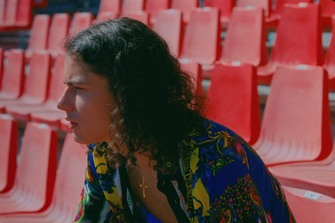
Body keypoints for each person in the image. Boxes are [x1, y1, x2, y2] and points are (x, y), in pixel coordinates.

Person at [57, 17, 295, 223]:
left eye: (77, 87)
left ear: (127, 94)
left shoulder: (214, 160)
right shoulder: (104, 153)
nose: (62, 103)